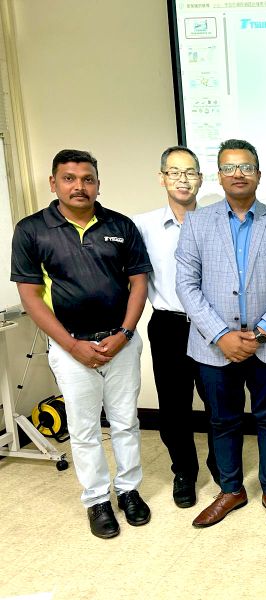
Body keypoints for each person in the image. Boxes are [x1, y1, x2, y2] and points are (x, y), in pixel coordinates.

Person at [11, 149, 153, 539]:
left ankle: (129, 491)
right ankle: (97, 500)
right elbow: (31, 297)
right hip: (70, 348)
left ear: (98, 184)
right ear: (53, 183)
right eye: (69, 178)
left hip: (121, 343)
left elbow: (139, 283)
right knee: (84, 428)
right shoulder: (32, 230)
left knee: (125, 422)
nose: (79, 186)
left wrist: (124, 334)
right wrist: (72, 346)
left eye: (87, 179)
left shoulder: (120, 225)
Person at [176, 139, 266, 530]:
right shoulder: (197, 222)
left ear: (258, 175)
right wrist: (221, 335)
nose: (238, 174)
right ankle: (230, 489)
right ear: (219, 176)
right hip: (215, 346)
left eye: (246, 167)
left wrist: (262, 332)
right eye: (230, 167)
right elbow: (186, 284)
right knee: (222, 420)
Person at [133, 146, 218, 509]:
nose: (183, 180)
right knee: (174, 406)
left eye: (190, 172)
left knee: (218, 401)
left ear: (201, 178)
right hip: (168, 324)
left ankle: (220, 465)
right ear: (162, 178)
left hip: (211, 325)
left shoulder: (217, 221)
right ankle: (184, 471)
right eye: (174, 172)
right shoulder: (142, 226)